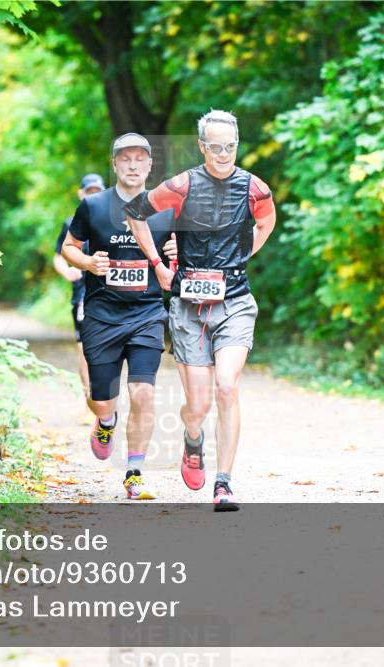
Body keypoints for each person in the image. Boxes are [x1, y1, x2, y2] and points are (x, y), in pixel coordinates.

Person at [125, 110, 276, 511]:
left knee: (227, 386)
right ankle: (194, 439)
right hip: (189, 307)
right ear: (202, 146)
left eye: (230, 146)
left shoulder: (254, 188)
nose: (223, 153)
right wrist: (158, 264)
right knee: (199, 405)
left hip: (236, 302)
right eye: (215, 146)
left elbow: (266, 222)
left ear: (237, 145)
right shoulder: (182, 184)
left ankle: (223, 483)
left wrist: (245, 256)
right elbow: (136, 213)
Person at [61, 133, 176, 500]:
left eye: (139, 158)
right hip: (102, 315)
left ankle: (134, 472)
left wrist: (176, 251)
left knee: (142, 392)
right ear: (114, 164)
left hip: (146, 312)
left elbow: (180, 257)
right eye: (124, 158)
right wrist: (87, 262)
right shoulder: (93, 207)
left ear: (149, 165)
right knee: (102, 399)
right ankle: (106, 421)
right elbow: (68, 248)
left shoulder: (167, 209)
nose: (131, 164)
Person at [55, 174, 105, 397]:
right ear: (81, 194)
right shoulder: (71, 223)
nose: (93, 196)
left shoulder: (113, 221)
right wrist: (68, 271)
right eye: (89, 192)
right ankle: (91, 401)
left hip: (109, 294)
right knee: (85, 349)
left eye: (98, 192)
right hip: (83, 295)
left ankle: (105, 400)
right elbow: (58, 255)